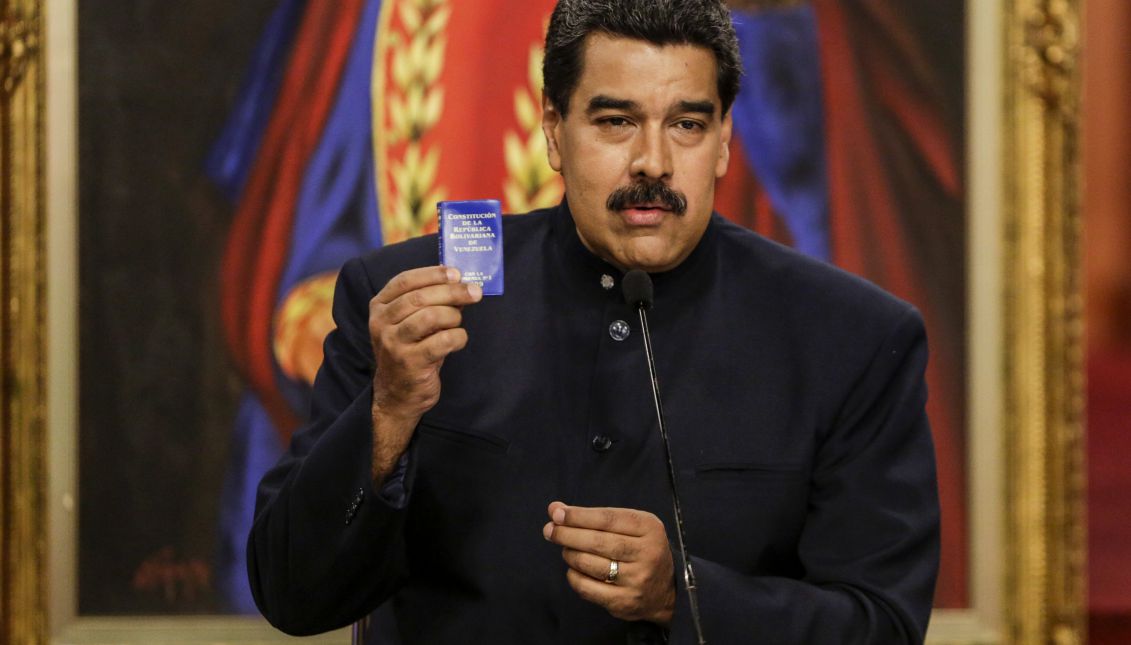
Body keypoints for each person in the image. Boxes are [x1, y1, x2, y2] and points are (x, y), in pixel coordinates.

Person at [247, 0, 940, 642]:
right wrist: (390, 412)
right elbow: (292, 592)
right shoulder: (405, 304)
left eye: (686, 124)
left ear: (724, 139)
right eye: (615, 120)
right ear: (554, 132)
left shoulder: (853, 338)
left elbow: (881, 624)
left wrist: (685, 594)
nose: (652, 161)